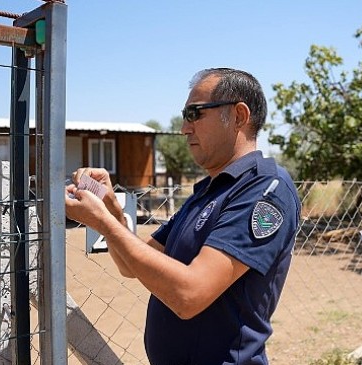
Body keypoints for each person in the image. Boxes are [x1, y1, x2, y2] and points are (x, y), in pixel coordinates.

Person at [65, 68, 301, 365]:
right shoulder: (207, 192)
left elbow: (189, 295)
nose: (184, 128)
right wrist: (110, 207)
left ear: (239, 116)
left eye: (194, 114)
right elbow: (131, 265)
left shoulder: (265, 189)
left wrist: (103, 222)